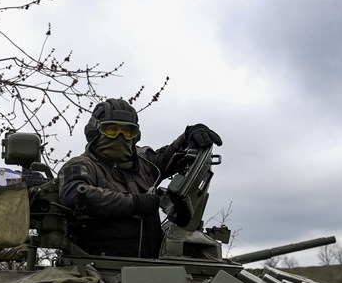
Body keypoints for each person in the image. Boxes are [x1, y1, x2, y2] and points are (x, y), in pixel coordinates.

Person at [58, 98, 222, 258]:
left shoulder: (144, 162)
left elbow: (169, 155)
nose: (120, 137)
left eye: (128, 131)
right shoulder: (82, 164)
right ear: (94, 131)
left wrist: (189, 134)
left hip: (150, 267)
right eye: (112, 130)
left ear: (136, 135)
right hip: (98, 268)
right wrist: (135, 203)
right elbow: (75, 194)